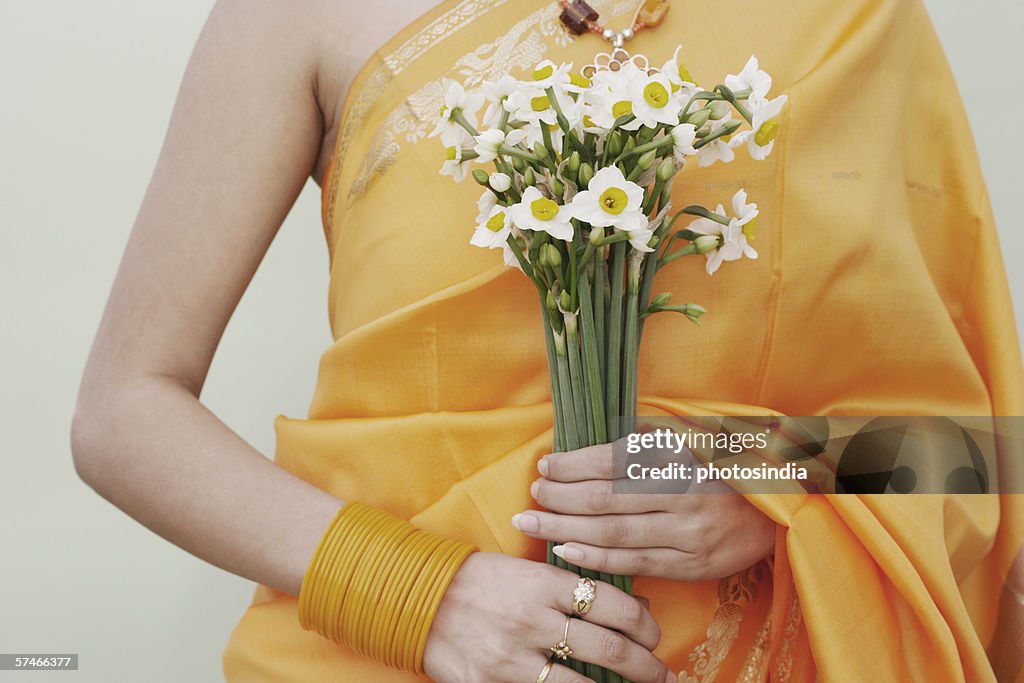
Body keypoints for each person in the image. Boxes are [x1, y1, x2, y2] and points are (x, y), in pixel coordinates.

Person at [71, 0, 1024, 680]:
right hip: (388, 656)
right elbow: (124, 410)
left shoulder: (856, 18)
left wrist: (759, 476)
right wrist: (422, 596)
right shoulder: (304, 15)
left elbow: (978, 451)